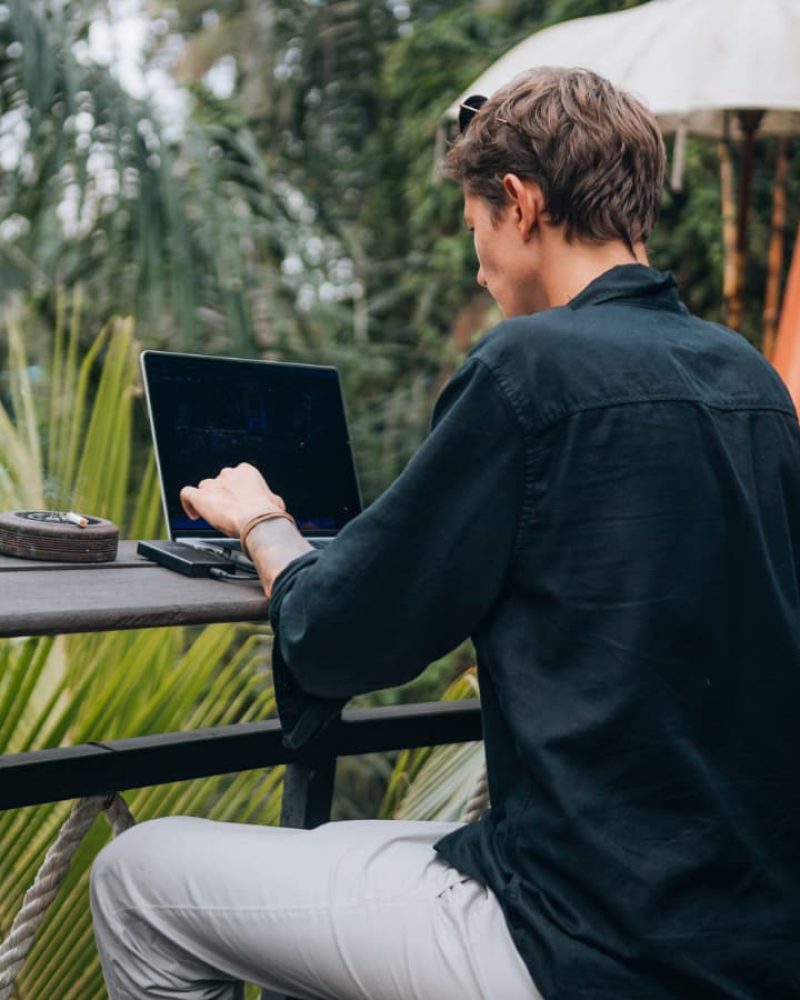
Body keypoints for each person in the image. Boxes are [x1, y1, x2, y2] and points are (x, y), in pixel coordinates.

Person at [91, 68, 800, 999]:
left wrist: (264, 522)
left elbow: (343, 637)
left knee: (136, 881)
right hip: (745, 932)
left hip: (587, 944)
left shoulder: (528, 367)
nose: (478, 268)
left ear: (520, 201)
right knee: (335, 853)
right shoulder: (747, 378)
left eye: (476, 232)